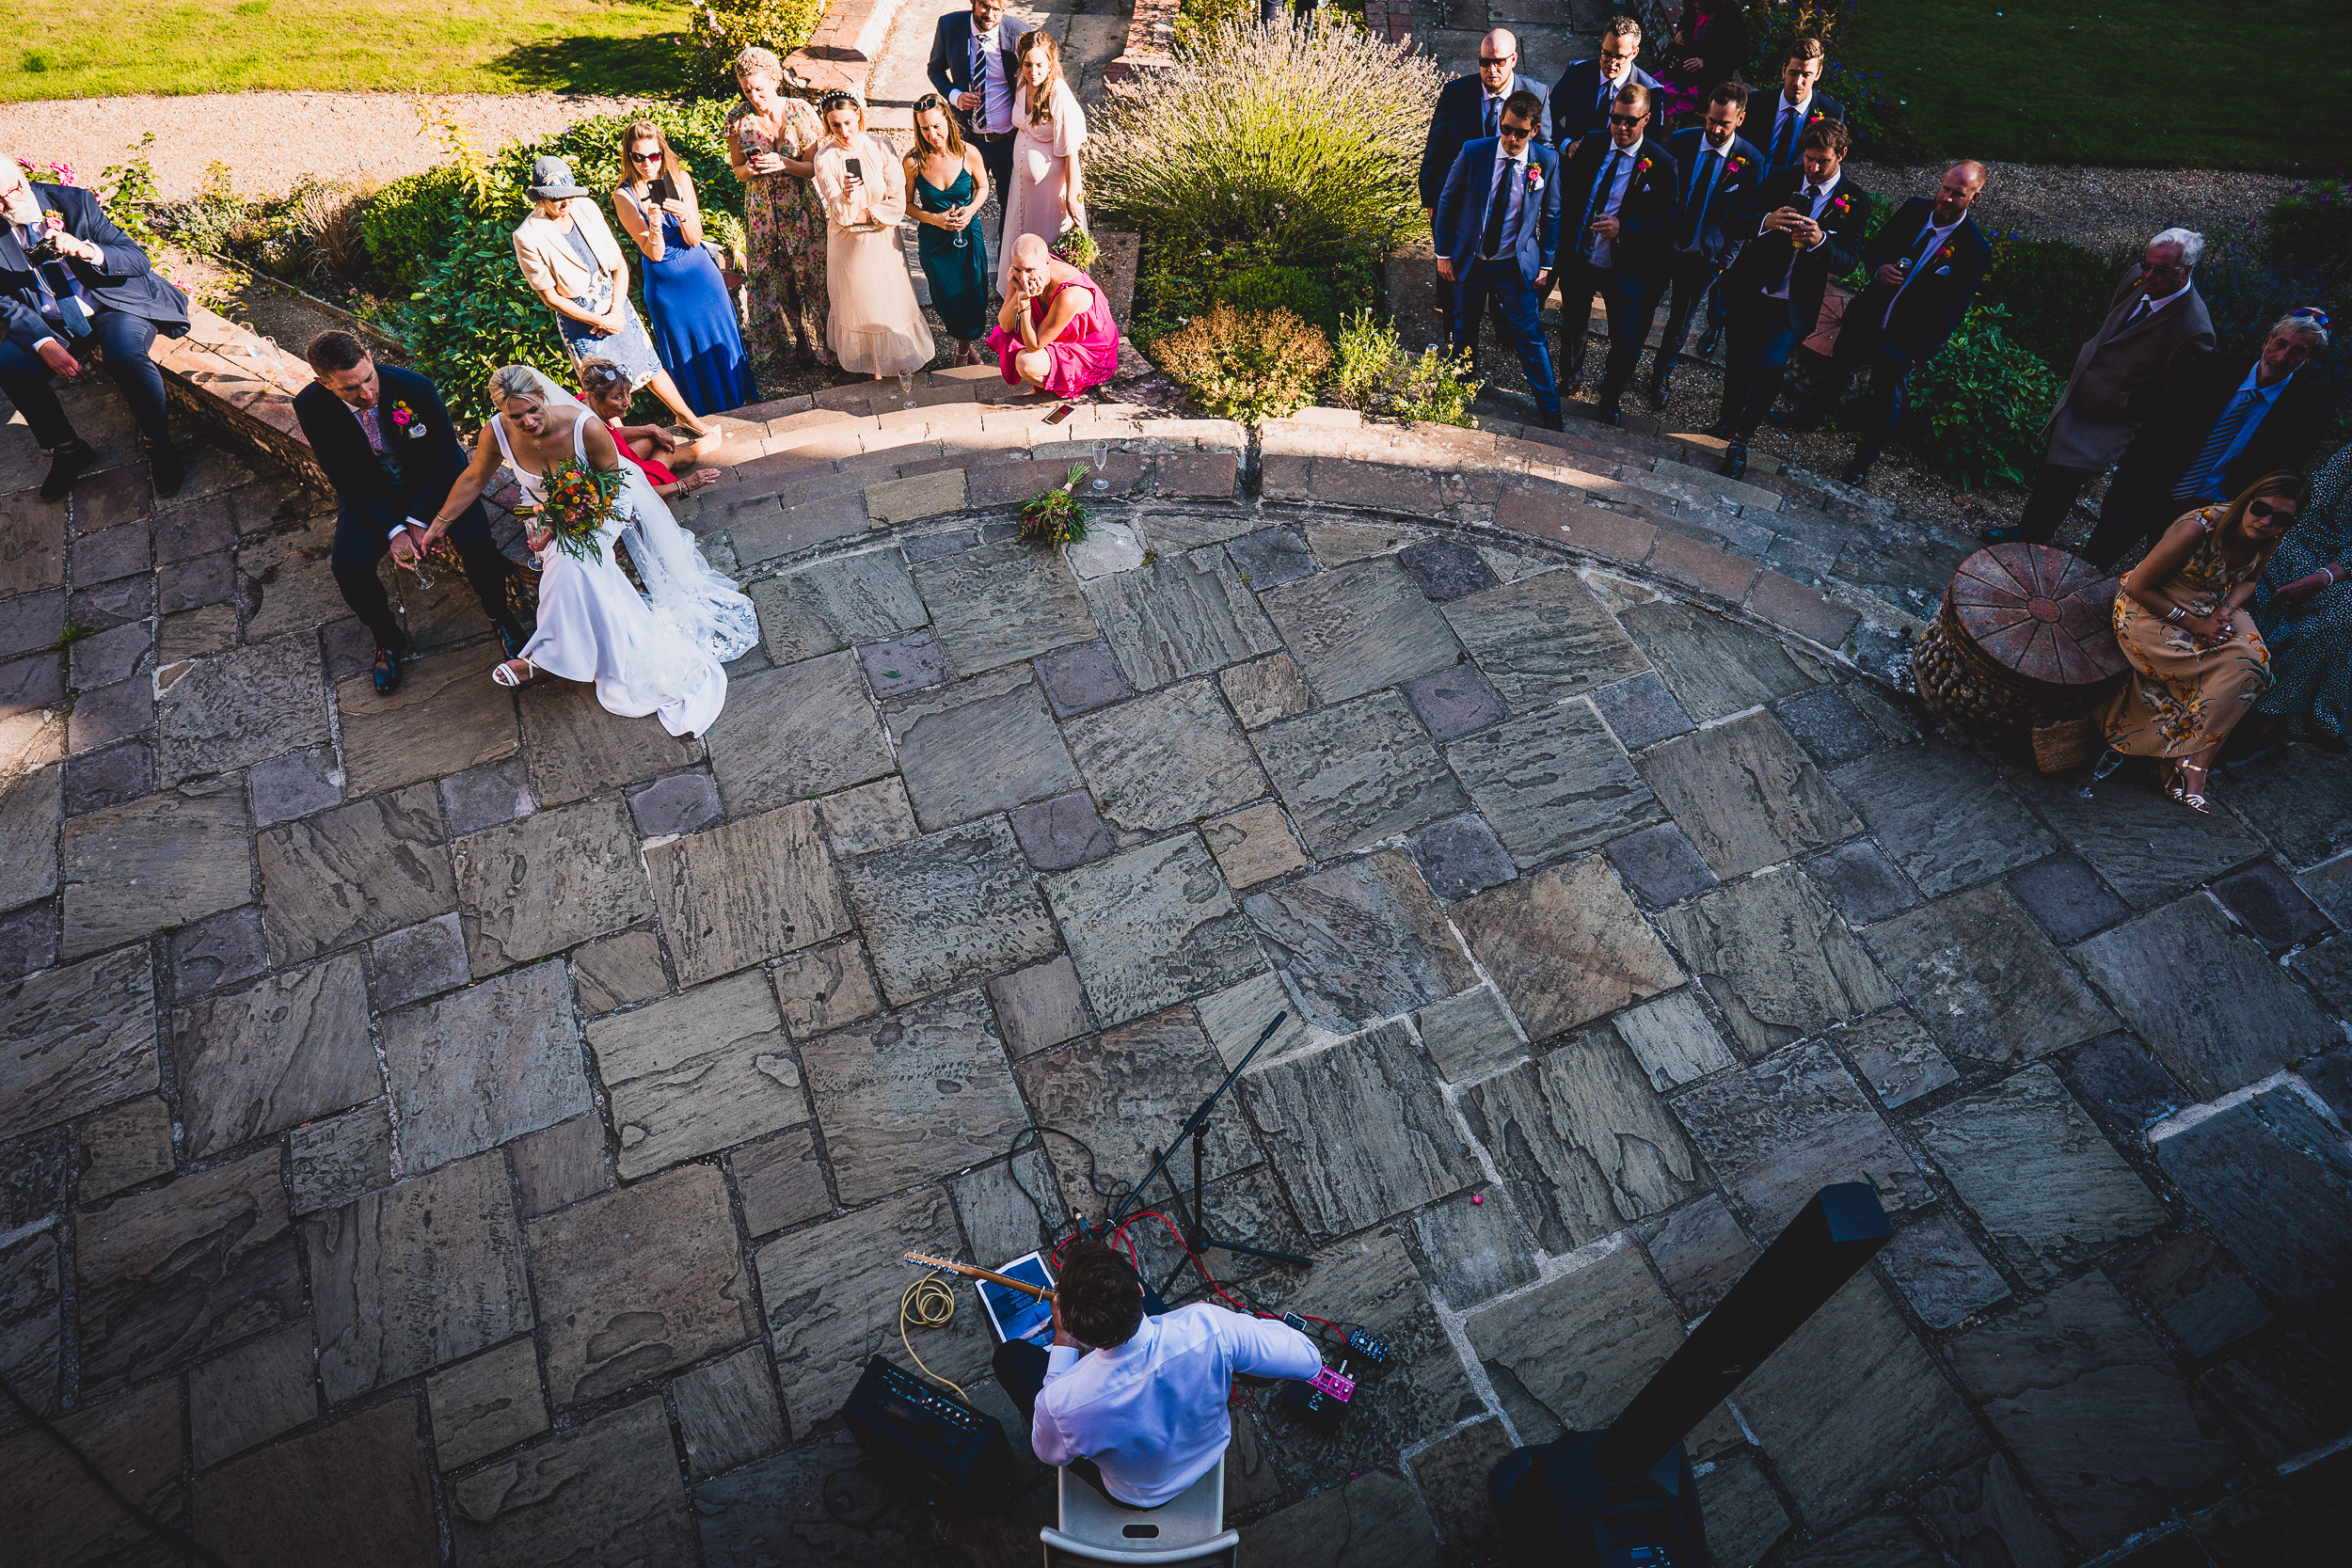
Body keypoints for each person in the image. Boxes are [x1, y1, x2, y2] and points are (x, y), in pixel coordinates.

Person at [421, 365, 755, 736]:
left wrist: (566, 517)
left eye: (533, 409)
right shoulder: (496, 432)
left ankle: (541, 659)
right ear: (503, 412)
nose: (528, 421)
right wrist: (439, 524)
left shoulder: (585, 427)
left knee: (569, 560)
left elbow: (612, 487)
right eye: (516, 416)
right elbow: (472, 478)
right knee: (573, 563)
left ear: (543, 398)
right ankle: (562, 652)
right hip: (544, 511)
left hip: (601, 506)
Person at [993, 1239, 1320, 1510]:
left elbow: (1048, 1453)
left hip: (1140, 1495)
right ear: (1139, 1291)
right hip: (1209, 1448)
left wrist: (1063, 1342)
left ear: (1083, 1337)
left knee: (1010, 1358)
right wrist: (1241, 1333)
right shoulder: (1209, 1326)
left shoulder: (1061, 1403)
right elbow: (1308, 1361)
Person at [291, 332, 529, 695]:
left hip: (433, 490)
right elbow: (342, 475)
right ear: (325, 383)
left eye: (369, 378)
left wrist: (419, 521)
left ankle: (500, 616)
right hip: (372, 497)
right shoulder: (310, 404)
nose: (368, 394)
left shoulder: (415, 388)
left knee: (477, 543)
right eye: (351, 389)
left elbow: (448, 458)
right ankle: (387, 639)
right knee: (349, 566)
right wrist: (391, 530)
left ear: (369, 356)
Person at [1986, 230, 2217, 546]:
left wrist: (2127, 413)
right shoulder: (2137, 277)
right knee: (2052, 467)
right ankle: (2030, 530)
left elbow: (2172, 394)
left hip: (2112, 417)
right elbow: (2114, 320)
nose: (2148, 275)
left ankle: (2032, 537)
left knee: (2066, 476)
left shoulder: (2194, 329)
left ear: (2186, 271)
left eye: (2160, 271)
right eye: (2146, 264)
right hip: (2082, 390)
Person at [2100, 473, 2302, 814]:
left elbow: (2250, 578)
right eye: (2261, 508)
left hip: (2212, 605)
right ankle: (2187, 763)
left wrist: (2225, 610)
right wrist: (2196, 625)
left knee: (2255, 666)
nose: (2267, 521)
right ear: (2247, 499)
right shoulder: (2199, 527)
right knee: (2230, 667)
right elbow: (2137, 587)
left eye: (2281, 517)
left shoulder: (2271, 534)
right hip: (2156, 607)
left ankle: (2192, 760)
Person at [1780, 161, 1990, 485]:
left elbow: (1953, 310)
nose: (1947, 198)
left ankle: (1864, 459)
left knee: (1885, 401)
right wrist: (1880, 269)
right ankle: (1810, 416)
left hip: (1905, 338)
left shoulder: (1973, 249)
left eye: (1958, 194)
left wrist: (1921, 353)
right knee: (1838, 370)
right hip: (1867, 315)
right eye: (1946, 188)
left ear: (1974, 199)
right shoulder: (1913, 210)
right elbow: (1874, 248)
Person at [0, 158, 192, 499]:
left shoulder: (74, 202)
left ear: (23, 175)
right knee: (10, 365)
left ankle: (158, 444)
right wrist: (43, 342)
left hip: (110, 304)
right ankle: (68, 449)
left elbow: (137, 259)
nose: (10, 204)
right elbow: (3, 298)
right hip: (53, 318)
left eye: (14, 189)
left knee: (124, 357)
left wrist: (87, 250)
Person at [2082, 309, 2331, 570]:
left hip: (2208, 515)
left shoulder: (2310, 413)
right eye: (2280, 343)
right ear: (2267, 339)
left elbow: (2276, 478)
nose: (2282, 357)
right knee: (2090, 565)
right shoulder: (2212, 368)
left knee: (2156, 585)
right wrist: (2126, 472)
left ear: (2308, 359)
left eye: (2297, 351)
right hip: (2147, 487)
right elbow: (2157, 423)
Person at [1711, 119, 1871, 479]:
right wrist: (1766, 220)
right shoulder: (1784, 177)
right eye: (1809, 158)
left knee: (1769, 366)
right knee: (1737, 363)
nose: (1813, 168)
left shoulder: (1855, 201)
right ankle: (1726, 423)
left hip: (1793, 303)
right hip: (1752, 289)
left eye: (1822, 162)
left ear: (1841, 155)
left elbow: (1848, 262)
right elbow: (1734, 221)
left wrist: (1821, 241)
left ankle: (1740, 441)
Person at [512, 156, 713, 439]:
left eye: (569, 194)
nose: (565, 203)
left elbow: (619, 264)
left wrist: (616, 311)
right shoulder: (527, 235)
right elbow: (551, 298)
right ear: (541, 198)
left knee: (649, 365)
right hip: (579, 315)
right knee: (602, 387)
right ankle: (620, 446)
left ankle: (687, 418)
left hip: (613, 302)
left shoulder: (587, 208)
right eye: (556, 198)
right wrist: (597, 320)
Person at [1435, 90, 1564, 430]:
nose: (1510, 138)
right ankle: (1459, 391)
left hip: (1512, 265)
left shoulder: (1546, 162)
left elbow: (1552, 214)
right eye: (1506, 129)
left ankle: (1550, 407)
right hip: (1471, 261)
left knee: (1529, 335)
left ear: (1534, 130)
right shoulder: (1474, 152)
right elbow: (1447, 202)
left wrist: (1546, 264)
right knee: (1464, 330)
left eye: (1520, 132)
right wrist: (1443, 254)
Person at [611, 121, 756, 419]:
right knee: (685, 350)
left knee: (719, 337)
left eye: (654, 156)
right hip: (667, 289)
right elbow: (654, 252)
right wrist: (654, 223)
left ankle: (739, 408)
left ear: (662, 153)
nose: (648, 164)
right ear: (629, 156)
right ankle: (700, 416)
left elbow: (693, 238)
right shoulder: (624, 196)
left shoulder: (679, 179)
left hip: (701, 276)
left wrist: (685, 214)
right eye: (639, 157)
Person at [1555, 82, 1679, 420]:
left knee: (1625, 341)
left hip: (1624, 266)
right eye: (1616, 119)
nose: (1621, 128)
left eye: (1630, 121)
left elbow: (1670, 223)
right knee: (1573, 322)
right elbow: (1570, 194)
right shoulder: (1593, 143)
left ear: (1647, 119)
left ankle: (1610, 394)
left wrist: (1625, 228)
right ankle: (1571, 376)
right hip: (1581, 256)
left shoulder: (1662, 163)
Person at [1648, 83, 1761, 409]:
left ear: (1739, 119)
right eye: (1711, 119)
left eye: (1723, 123)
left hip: (1705, 256)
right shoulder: (1682, 142)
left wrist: (1726, 258)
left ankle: (1661, 375)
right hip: (1666, 246)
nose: (1714, 128)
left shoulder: (1751, 162)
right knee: (1644, 307)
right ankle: (1626, 362)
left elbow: (1746, 216)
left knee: (1681, 321)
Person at [810, 91, 937, 379]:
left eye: (848, 122)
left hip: (883, 242)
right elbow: (840, 215)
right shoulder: (824, 158)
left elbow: (896, 202)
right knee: (860, 305)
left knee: (890, 303)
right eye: (835, 125)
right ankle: (872, 372)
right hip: (848, 249)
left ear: (860, 117)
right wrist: (849, 195)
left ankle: (899, 366)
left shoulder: (881, 147)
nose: (844, 132)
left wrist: (864, 214)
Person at [727, 46, 834, 372]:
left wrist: (784, 163)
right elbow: (737, 170)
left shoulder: (800, 111)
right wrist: (752, 171)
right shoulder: (737, 119)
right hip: (763, 213)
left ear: (774, 79)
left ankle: (831, 343)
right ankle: (799, 338)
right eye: (747, 90)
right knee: (779, 277)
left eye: (759, 88)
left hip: (801, 207)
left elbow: (813, 168)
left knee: (817, 275)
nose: (754, 96)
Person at [2250, 444, 2352, 752]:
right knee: (2325, 612)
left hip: (2340, 565)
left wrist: (2328, 576)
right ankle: (2282, 711)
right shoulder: (2348, 459)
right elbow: (2309, 512)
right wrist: (2318, 573)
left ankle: (2279, 713)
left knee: (2338, 619)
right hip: (2301, 542)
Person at [1421, 30, 1552, 218]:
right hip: (1461, 196)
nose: (1491, 70)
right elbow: (1435, 148)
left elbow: (1543, 146)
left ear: (1513, 60)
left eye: (1499, 62)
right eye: (1485, 62)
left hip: (1510, 200)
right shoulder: (1455, 93)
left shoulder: (1537, 93)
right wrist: (1430, 200)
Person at [906, 93, 994, 366]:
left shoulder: (970, 153)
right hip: (934, 241)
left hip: (968, 234)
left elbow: (983, 187)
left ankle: (962, 351)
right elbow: (906, 205)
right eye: (924, 128)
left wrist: (970, 210)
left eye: (936, 126)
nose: (931, 134)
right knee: (946, 296)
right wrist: (935, 219)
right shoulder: (912, 162)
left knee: (972, 292)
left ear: (948, 121)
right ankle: (967, 348)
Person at [1000, 29, 1087, 294]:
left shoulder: (1058, 94)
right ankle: (1017, 290)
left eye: (1040, 65)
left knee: (1046, 241)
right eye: (1028, 64)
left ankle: (1049, 296)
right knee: (1021, 234)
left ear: (1051, 63)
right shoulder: (1021, 83)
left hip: (1050, 190)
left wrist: (1073, 195)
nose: (1033, 71)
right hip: (1023, 185)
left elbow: (1072, 150)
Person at [990, 232, 1120, 399]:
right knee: (1004, 336)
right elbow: (1005, 325)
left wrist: (1024, 303)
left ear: (1047, 262)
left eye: (1029, 270)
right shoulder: (1025, 267)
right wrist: (1017, 293)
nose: (1023, 277)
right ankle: (1049, 379)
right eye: (1017, 269)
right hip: (1057, 336)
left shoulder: (1069, 295)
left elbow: (1034, 345)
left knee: (1026, 362)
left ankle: (1059, 387)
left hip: (1091, 355)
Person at [578, 357, 721, 502]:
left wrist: (650, 429)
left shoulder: (584, 402)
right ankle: (700, 448)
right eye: (618, 397)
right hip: (628, 486)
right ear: (595, 397)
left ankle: (698, 448)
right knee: (667, 451)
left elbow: (611, 434)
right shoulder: (597, 438)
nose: (627, 403)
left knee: (654, 438)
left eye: (627, 394)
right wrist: (684, 485)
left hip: (619, 459)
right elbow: (632, 492)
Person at [927, 0, 1023, 214]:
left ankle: (1006, 249)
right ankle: (965, 247)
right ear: (973, 1)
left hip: (1007, 140)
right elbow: (935, 69)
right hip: (967, 139)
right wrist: (955, 96)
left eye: (997, 9)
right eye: (984, 6)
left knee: (1012, 209)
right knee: (961, 205)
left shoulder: (1019, 32)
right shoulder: (949, 25)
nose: (990, 14)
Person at [1551, 16, 1660, 160]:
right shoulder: (1576, 72)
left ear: (1634, 53)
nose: (1611, 63)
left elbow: (1652, 142)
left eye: (1620, 57)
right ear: (1602, 44)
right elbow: (1547, 116)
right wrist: (1567, 145)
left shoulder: (1651, 91)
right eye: (1606, 54)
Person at [1746, 38, 1844, 176]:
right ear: (1783, 70)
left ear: (1818, 74)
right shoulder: (1757, 102)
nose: (1798, 82)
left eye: (1806, 75)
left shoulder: (1831, 113)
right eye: (1793, 73)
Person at [1659, 4, 1751, 127]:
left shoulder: (1731, 15)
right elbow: (1685, 21)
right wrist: (1680, 32)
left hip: (1708, 82)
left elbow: (1739, 57)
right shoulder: (1695, 7)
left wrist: (1706, 63)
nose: (1697, 11)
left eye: (1700, 9)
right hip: (1682, 72)